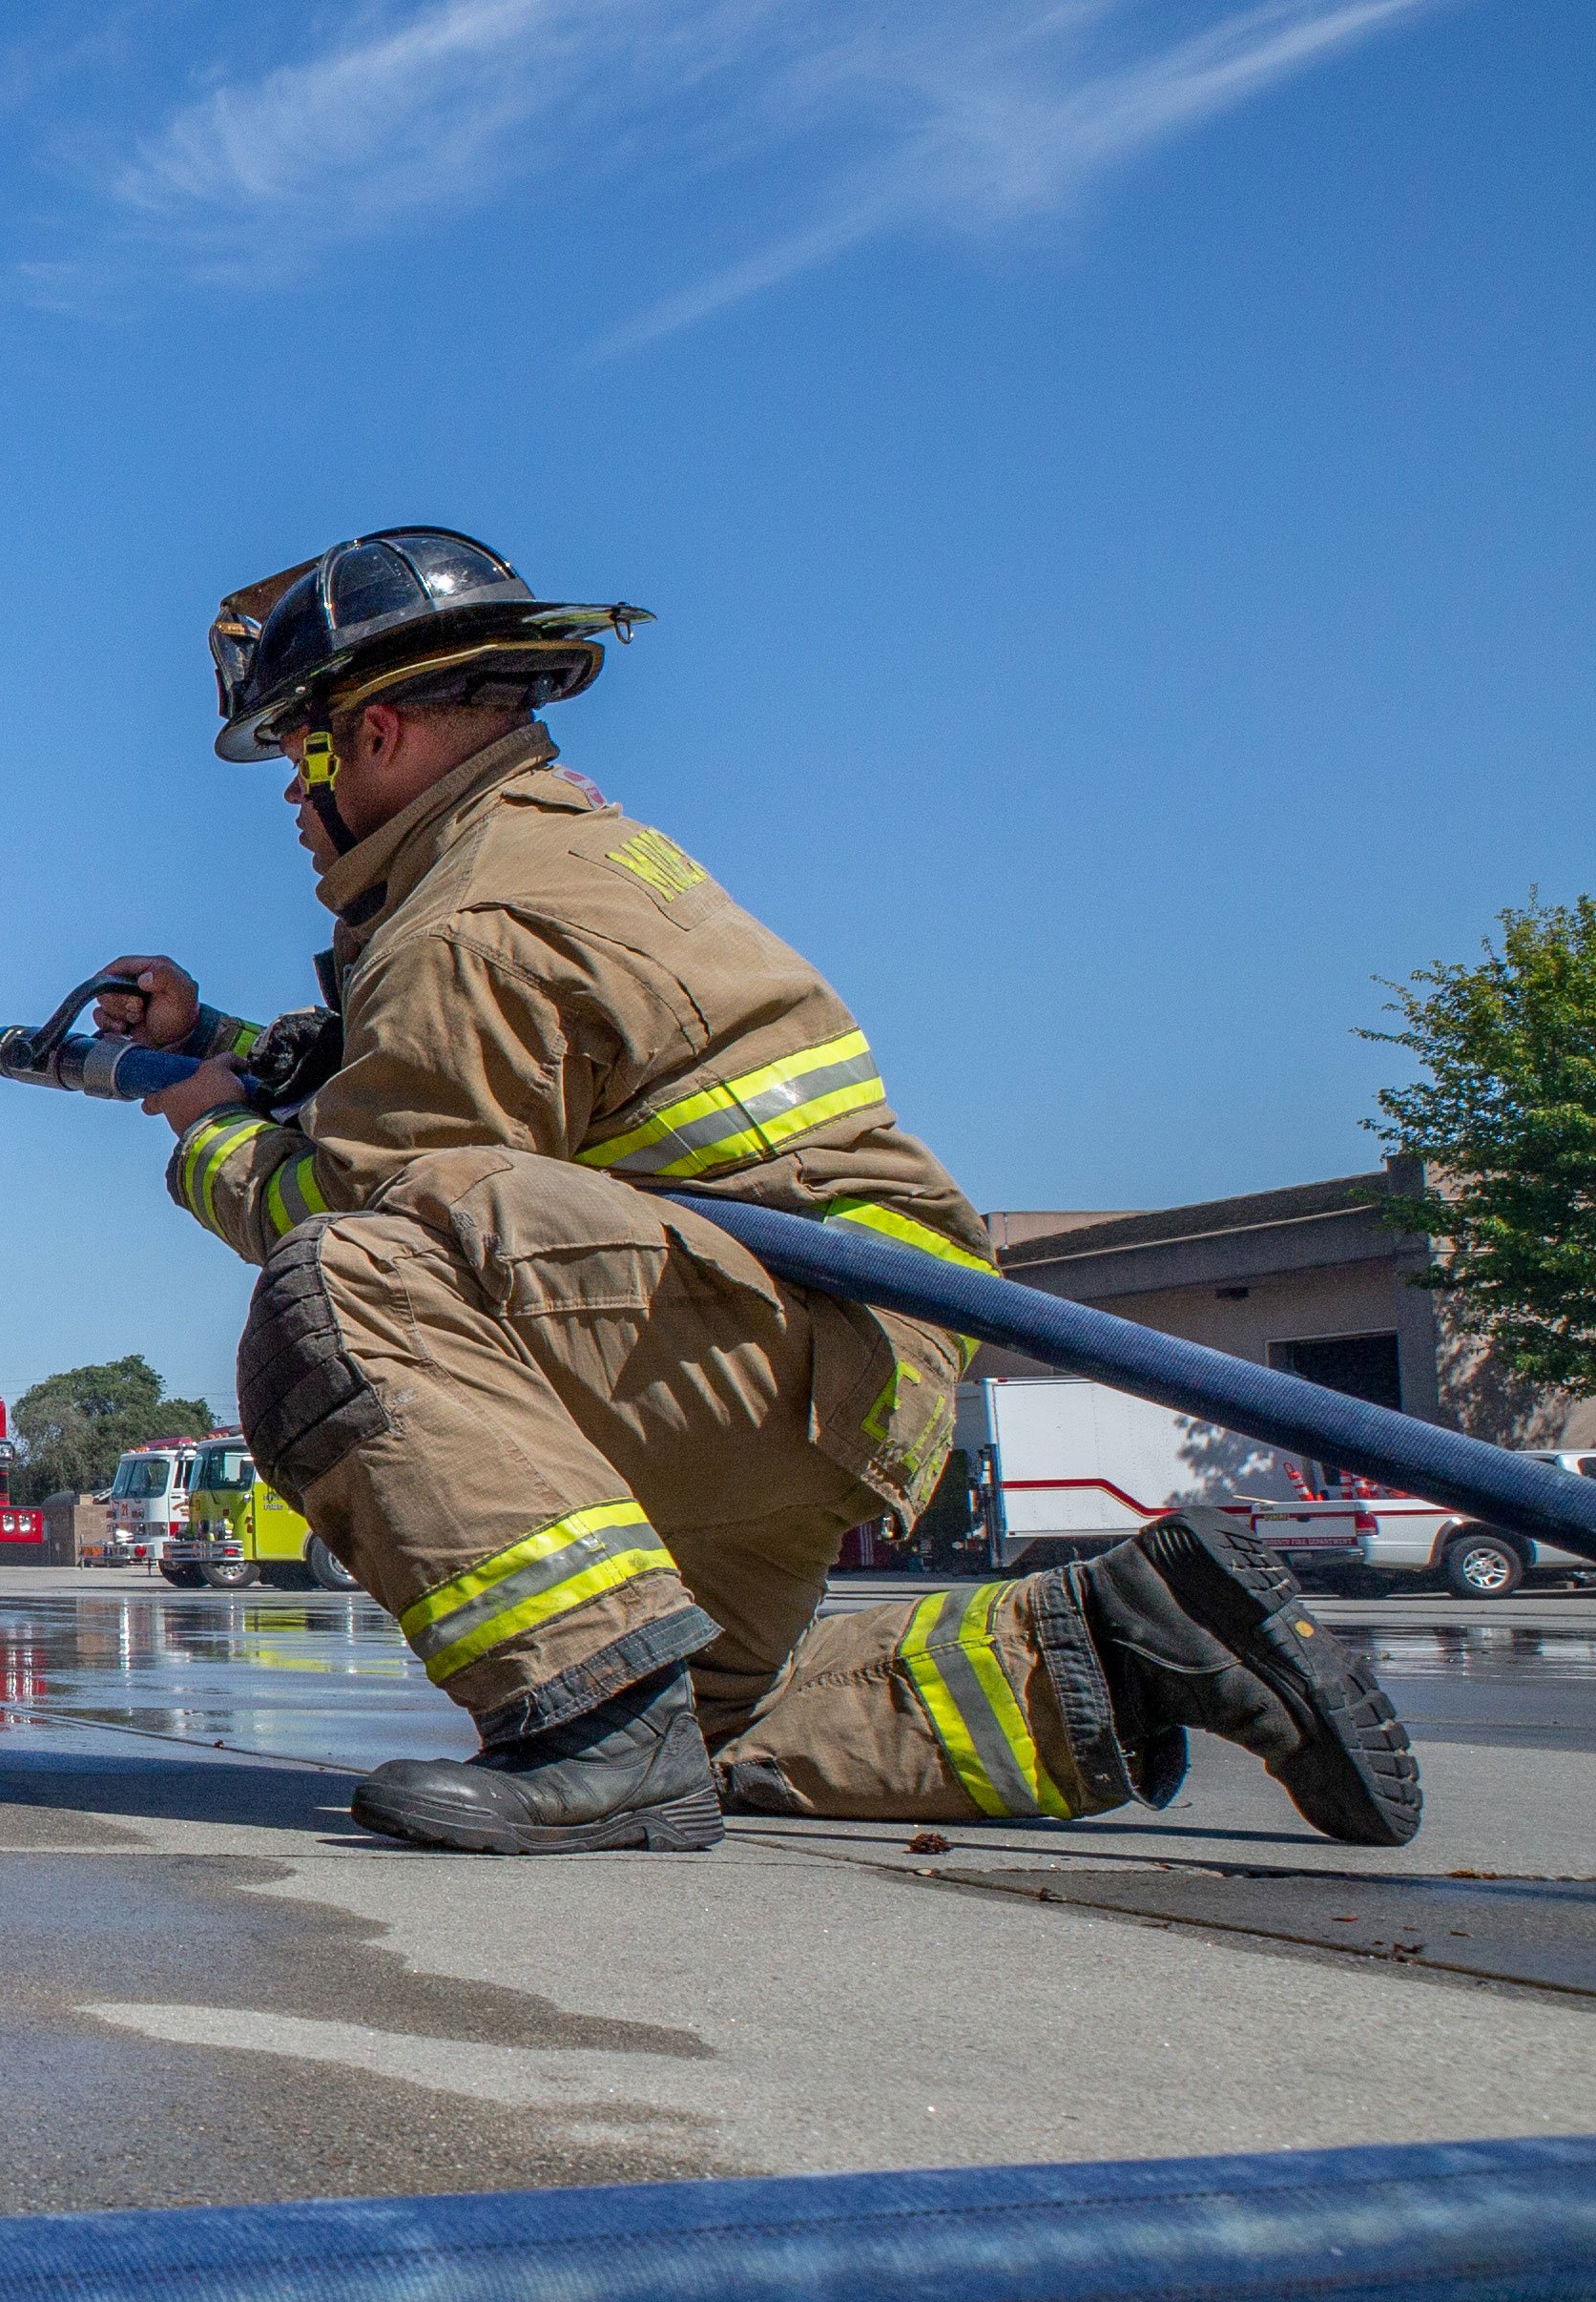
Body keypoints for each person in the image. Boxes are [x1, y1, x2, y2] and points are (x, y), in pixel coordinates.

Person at [95, 527, 1415, 1854]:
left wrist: (210, 1134)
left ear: (375, 734)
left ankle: (595, 1740)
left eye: (296, 750)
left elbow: (372, 1205)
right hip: (807, 1355)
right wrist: (222, 1039)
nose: (288, 795)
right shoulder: (541, 856)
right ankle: (1126, 1646)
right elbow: (473, 1103)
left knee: (343, 1287)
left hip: (761, 1345)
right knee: (716, 1726)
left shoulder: (470, 923)